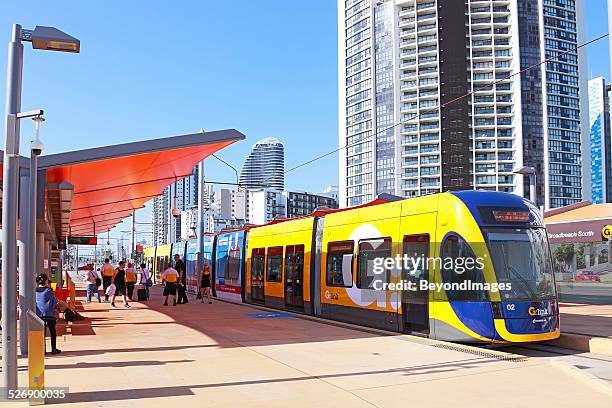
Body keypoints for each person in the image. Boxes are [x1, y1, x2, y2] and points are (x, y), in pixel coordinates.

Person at [35, 273, 61, 355]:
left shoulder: (34, 291)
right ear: (46, 281)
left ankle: (43, 350)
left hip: (39, 314)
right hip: (50, 314)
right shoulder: (49, 290)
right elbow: (54, 301)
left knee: (42, 333)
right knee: (52, 331)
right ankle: (53, 349)